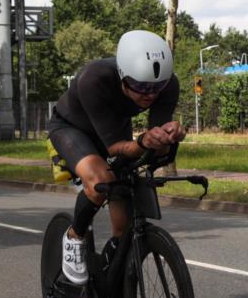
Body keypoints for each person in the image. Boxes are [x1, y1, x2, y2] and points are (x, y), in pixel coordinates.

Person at [47, 30, 186, 285]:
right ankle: (74, 237)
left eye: (157, 87)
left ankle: (116, 294)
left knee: (124, 228)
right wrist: (143, 141)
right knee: (102, 180)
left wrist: (169, 135)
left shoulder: (168, 84)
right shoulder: (94, 78)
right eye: (142, 86)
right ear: (122, 76)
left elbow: (155, 148)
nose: (150, 95)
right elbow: (115, 148)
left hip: (113, 127)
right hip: (72, 128)